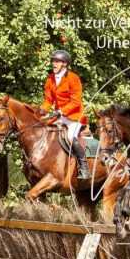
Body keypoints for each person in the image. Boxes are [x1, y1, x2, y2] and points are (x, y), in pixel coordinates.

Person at [40, 49, 89, 179]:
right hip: (59, 116)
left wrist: (61, 111)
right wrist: (42, 110)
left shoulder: (73, 78)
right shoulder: (50, 79)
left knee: (70, 137)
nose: (54, 64)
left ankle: (84, 167)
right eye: (53, 61)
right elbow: (48, 100)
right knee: (44, 132)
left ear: (65, 64)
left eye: (57, 61)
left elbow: (76, 101)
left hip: (74, 117)